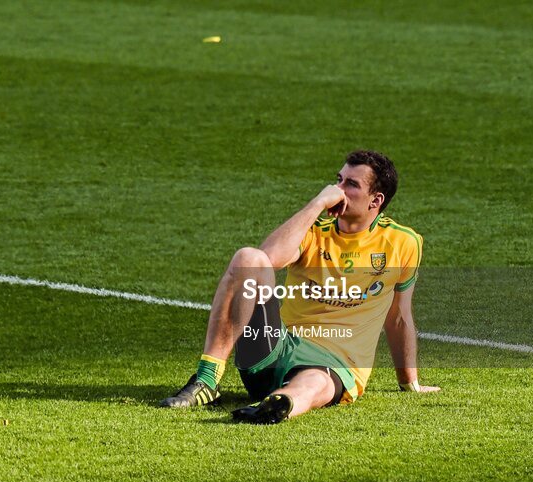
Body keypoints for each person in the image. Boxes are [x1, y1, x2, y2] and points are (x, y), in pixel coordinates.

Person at [160, 150, 439, 423]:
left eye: (351, 184)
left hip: (337, 364)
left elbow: (399, 315)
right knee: (248, 257)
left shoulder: (404, 243)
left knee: (314, 383)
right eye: (338, 179)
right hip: (276, 348)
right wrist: (317, 204)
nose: (337, 189)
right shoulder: (313, 230)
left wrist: (409, 381)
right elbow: (267, 259)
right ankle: (208, 379)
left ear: (375, 200)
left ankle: (278, 405)